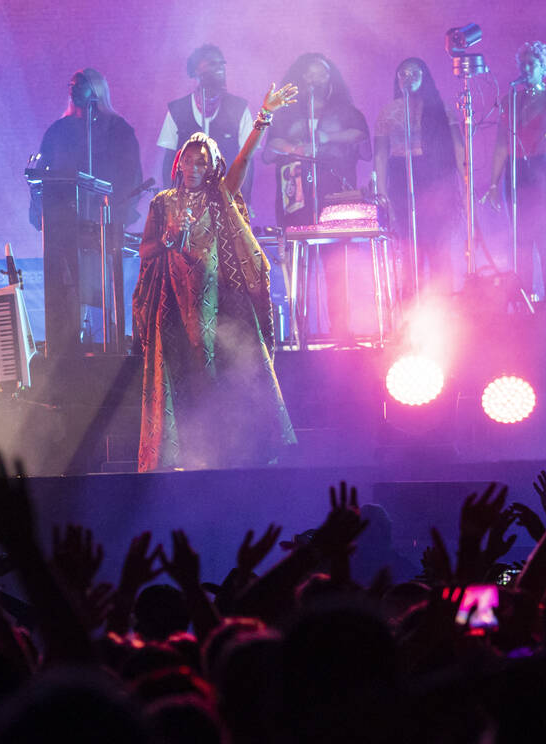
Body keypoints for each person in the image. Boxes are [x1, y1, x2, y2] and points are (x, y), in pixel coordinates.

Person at [133, 83, 299, 471]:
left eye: (202, 162)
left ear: (212, 168)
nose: (194, 168)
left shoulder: (218, 196)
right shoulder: (162, 203)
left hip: (218, 305)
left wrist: (263, 117)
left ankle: (231, 455)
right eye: (189, 161)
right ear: (178, 164)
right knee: (180, 381)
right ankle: (181, 459)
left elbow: (242, 161)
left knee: (225, 375)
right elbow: (145, 252)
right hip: (172, 306)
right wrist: (169, 242)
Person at [28, 68, 143, 355]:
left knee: (101, 294)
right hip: (65, 228)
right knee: (68, 292)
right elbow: (45, 174)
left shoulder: (118, 130)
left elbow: (131, 179)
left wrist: (115, 217)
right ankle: (66, 353)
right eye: (71, 85)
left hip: (103, 227)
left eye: (81, 84)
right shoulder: (59, 131)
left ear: (97, 89)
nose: (73, 89)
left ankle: (108, 350)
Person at [264, 53, 370, 342]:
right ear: (299, 79)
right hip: (296, 201)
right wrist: (292, 147)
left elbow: (361, 139)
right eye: (308, 74)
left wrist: (327, 138)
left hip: (333, 200)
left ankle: (342, 333)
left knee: (336, 266)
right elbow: (268, 149)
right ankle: (299, 334)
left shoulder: (345, 111)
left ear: (331, 77)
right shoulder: (285, 114)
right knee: (298, 270)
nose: (315, 80)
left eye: (321, 73)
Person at [373, 58, 463, 297]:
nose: (408, 77)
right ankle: (412, 307)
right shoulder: (388, 111)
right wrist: (381, 192)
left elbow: (458, 147)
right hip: (401, 175)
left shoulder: (441, 108)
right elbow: (380, 155)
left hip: (434, 176)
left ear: (425, 77)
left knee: (438, 243)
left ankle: (443, 303)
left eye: (415, 73)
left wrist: (466, 182)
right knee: (408, 244)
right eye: (402, 73)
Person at [484, 41, 546, 303]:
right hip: (516, 171)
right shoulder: (510, 100)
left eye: (532, 64)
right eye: (522, 63)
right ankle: (525, 295)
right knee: (520, 237)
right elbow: (501, 143)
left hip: (544, 170)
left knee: (543, 237)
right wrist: (493, 183)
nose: (526, 68)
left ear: (544, 67)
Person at [156, 44, 254, 201]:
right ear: (196, 70)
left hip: (226, 197)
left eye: (222, 63)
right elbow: (169, 160)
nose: (220, 67)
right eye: (212, 63)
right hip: (186, 199)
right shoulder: (178, 109)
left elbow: (247, 160)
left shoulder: (239, 108)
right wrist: (170, 197)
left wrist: (246, 200)